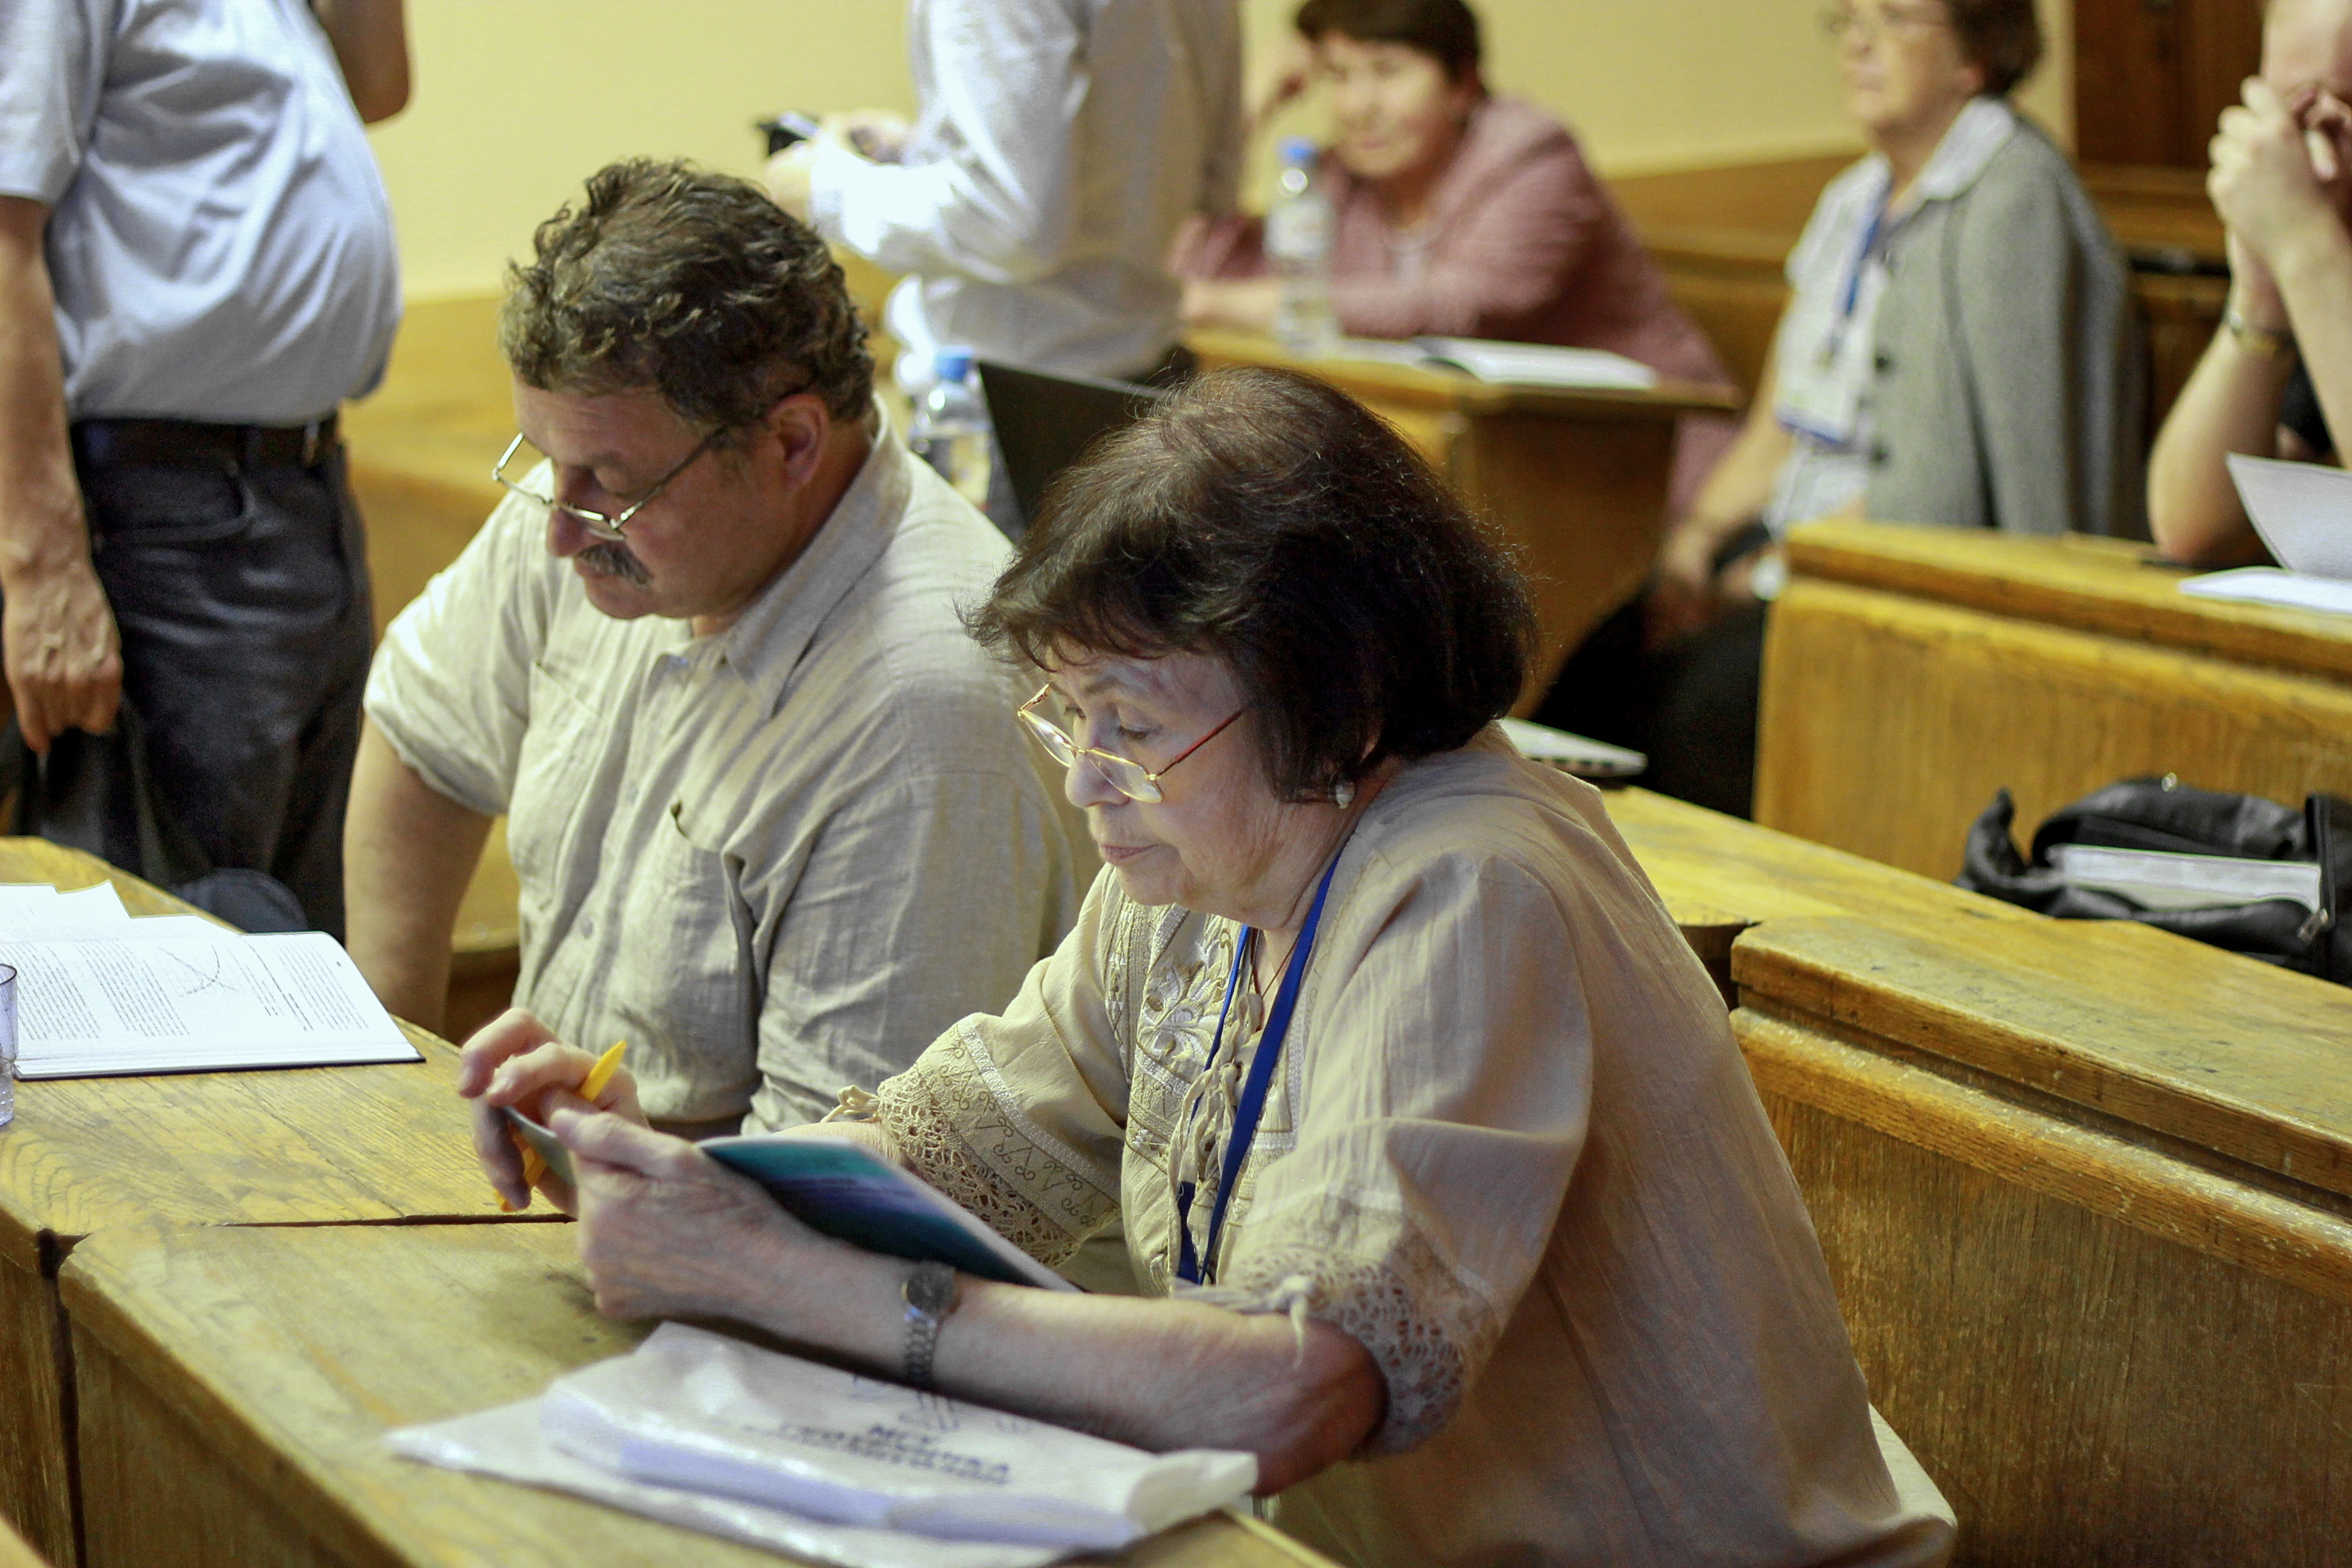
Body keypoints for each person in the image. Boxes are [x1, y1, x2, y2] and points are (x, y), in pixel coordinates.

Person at [463, 368, 1958, 1568]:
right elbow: (945, 1153)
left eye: (1129, 722)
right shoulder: (1211, 862)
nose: (1088, 779)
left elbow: (1302, 1383)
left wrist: (793, 1281)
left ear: (1339, 699)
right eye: (1069, 717)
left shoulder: (1470, 886)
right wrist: (682, 1176)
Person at [348, 161, 1089, 1138]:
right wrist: (391, 1084)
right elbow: (424, 733)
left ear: (791, 444)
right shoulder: (593, 489)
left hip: (719, 1219)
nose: (560, 531)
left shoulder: (926, 721)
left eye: (612, 484)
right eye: (546, 460)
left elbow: (833, 1186)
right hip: (579, 1175)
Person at [1538, 0, 2138, 817]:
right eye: (1849, 19)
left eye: (1893, 18)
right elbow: (1778, 424)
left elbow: (1956, 493)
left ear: (1977, 54)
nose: (1858, 42)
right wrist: (1695, 545)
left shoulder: (2011, 195)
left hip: (1905, 572)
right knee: (1583, 687)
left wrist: (1772, 569)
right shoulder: (1855, 197)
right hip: (1794, 547)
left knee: (1684, 718)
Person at [0, 0, 411, 934]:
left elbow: (380, 84)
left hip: (304, 486)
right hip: (161, 509)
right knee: (174, 945)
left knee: (296, 946)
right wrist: (43, 567)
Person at [1173, 0, 1734, 512]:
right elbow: (1193, 273)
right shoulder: (1344, 176)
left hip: (1653, 472)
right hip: (1488, 473)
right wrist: (1251, 102)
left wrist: (1241, 303)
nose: (1359, 107)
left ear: (1462, 84)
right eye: (1339, 76)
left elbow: (1467, 302)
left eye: (1388, 72)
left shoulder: (1533, 155)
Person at [763, 0, 1244, 392]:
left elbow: (1010, 225)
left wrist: (824, 190)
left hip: (1019, 399)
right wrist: (926, 149)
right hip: (1155, 381)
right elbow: (1214, 178)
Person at [2147, 0, 2352, 567]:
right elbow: (2192, 527)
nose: (2321, 156)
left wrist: (2303, 242)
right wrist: (2261, 296)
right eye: (2295, 115)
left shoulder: (2314, 242)